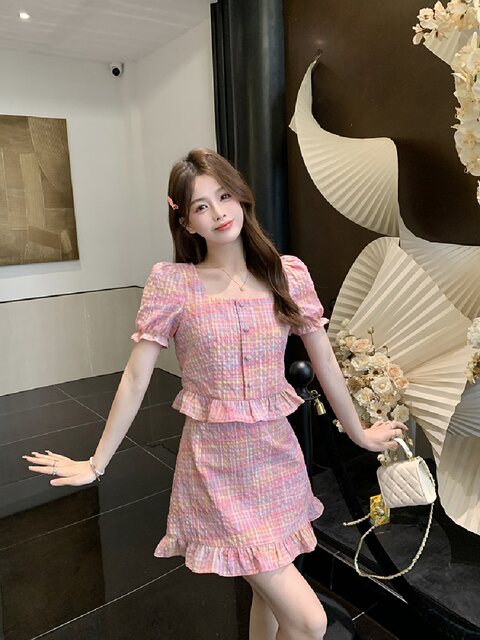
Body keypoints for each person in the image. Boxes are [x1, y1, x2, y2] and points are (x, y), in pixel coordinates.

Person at [23, 148, 407, 640]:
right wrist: (97, 463)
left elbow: (325, 361)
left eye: (224, 196)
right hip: (216, 470)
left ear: (241, 197)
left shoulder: (287, 274)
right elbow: (136, 378)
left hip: (277, 463)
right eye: (201, 206)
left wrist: (358, 433)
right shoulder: (173, 284)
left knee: (270, 602)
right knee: (310, 623)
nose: (219, 213)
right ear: (186, 222)